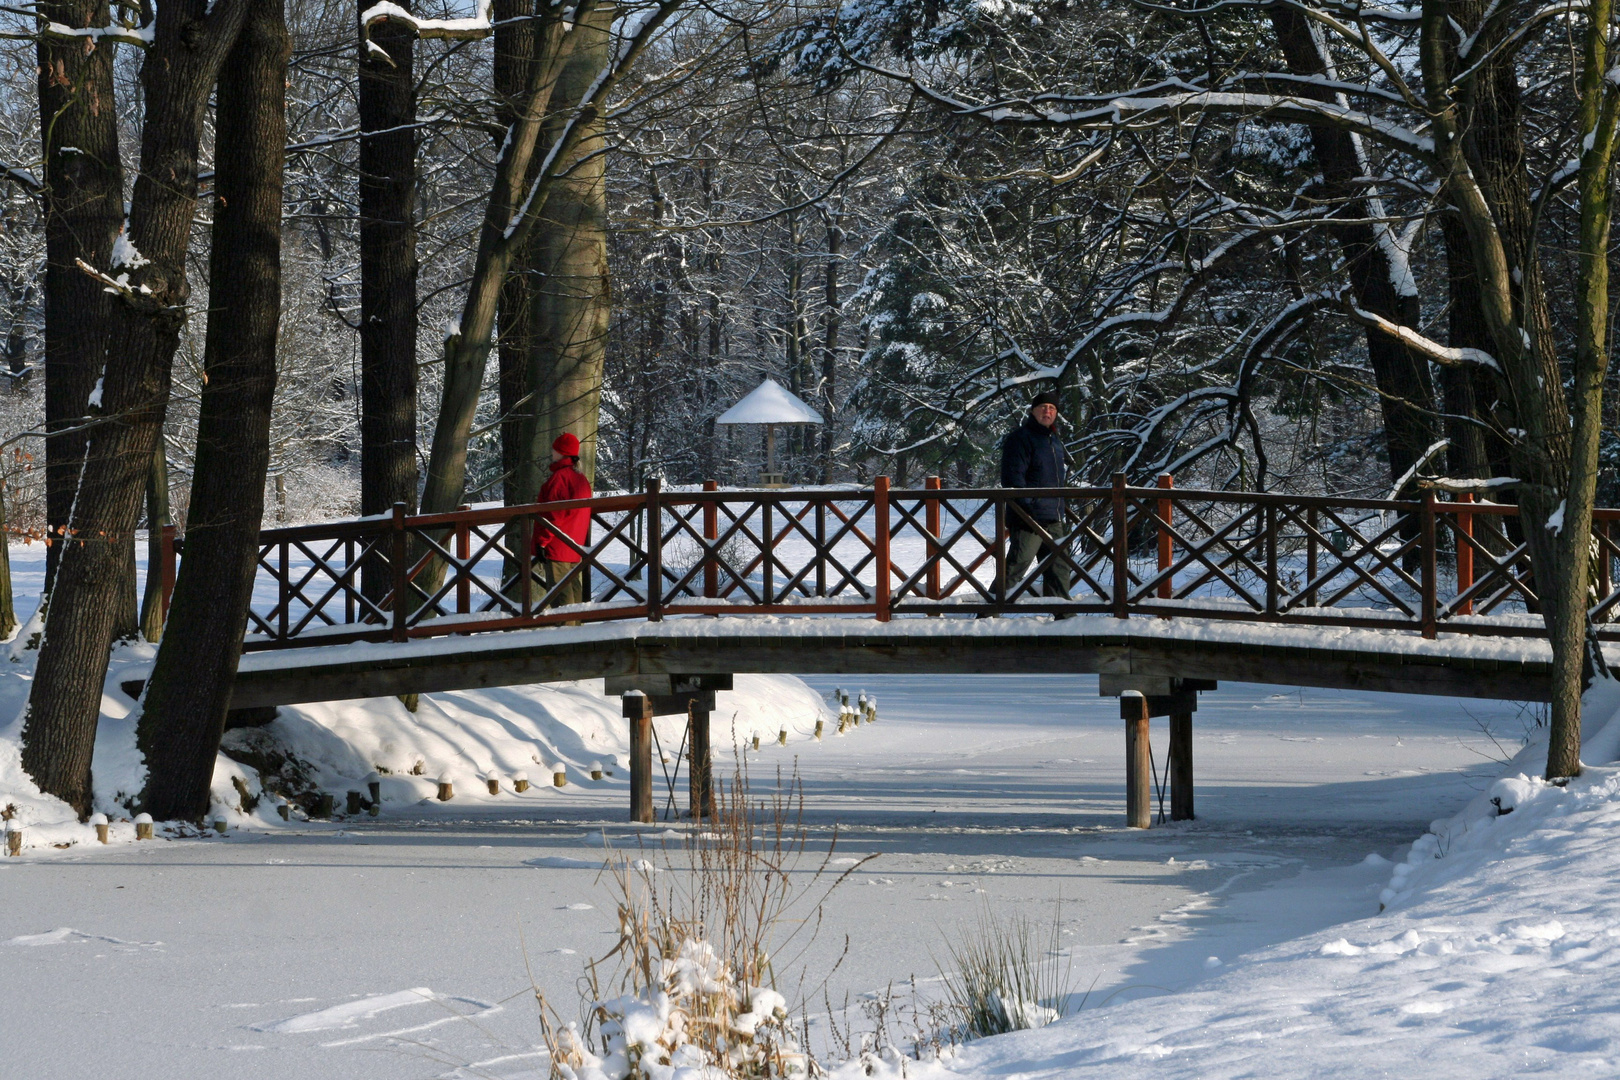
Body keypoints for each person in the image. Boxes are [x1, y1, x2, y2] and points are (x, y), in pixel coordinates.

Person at [1000, 390, 1072, 602]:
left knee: (1059, 570)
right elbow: (1013, 478)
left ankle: (1064, 620)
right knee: (1016, 567)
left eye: (1052, 408)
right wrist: (1026, 510)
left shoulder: (1054, 441)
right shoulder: (1020, 439)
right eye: (1042, 407)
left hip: (1054, 517)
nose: (1047, 411)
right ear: (1033, 411)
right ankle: (987, 616)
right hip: (1028, 519)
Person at [533, 433, 592, 612]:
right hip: (574, 543)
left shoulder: (560, 478)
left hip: (558, 543)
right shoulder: (580, 478)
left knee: (560, 595)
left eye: (555, 449)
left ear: (562, 452)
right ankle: (577, 631)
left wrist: (542, 541)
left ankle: (568, 634)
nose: (552, 452)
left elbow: (554, 515)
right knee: (574, 590)